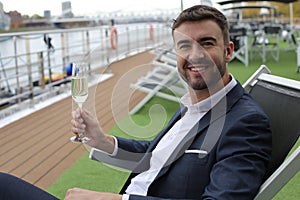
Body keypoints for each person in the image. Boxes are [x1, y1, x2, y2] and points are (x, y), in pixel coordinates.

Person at [0, 4, 272, 200]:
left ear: (228, 51)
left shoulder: (246, 123)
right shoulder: (195, 104)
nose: (194, 55)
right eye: (184, 46)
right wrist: (104, 141)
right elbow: (160, 154)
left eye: (207, 43)